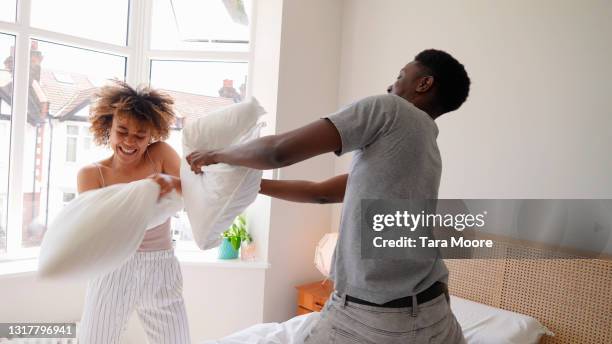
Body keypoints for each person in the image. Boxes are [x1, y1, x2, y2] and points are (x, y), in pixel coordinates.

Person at [187, 49, 470, 343]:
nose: (390, 86)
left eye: (400, 77)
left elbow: (277, 151)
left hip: (373, 317)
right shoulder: (423, 150)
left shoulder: (390, 109)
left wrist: (218, 155)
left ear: (423, 84)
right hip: (436, 313)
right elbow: (320, 194)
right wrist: (246, 186)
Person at [77, 81, 191, 344]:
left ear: (152, 134)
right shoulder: (92, 175)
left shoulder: (160, 155)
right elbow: (96, 229)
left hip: (161, 266)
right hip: (113, 268)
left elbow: (192, 192)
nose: (130, 142)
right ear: (108, 128)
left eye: (140, 135)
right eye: (122, 131)